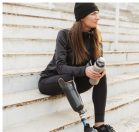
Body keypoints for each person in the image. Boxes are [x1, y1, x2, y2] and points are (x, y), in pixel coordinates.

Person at [38, 3, 115, 132]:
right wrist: (85, 70)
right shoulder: (64, 35)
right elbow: (61, 67)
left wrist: (99, 71)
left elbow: (98, 63)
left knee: (101, 76)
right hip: (51, 81)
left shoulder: (95, 38)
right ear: (82, 17)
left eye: (98, 13)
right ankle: (85, 122)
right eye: (93, 13)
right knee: (68, 77)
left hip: (73, 82)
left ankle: (99, 125)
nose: (98, 17)